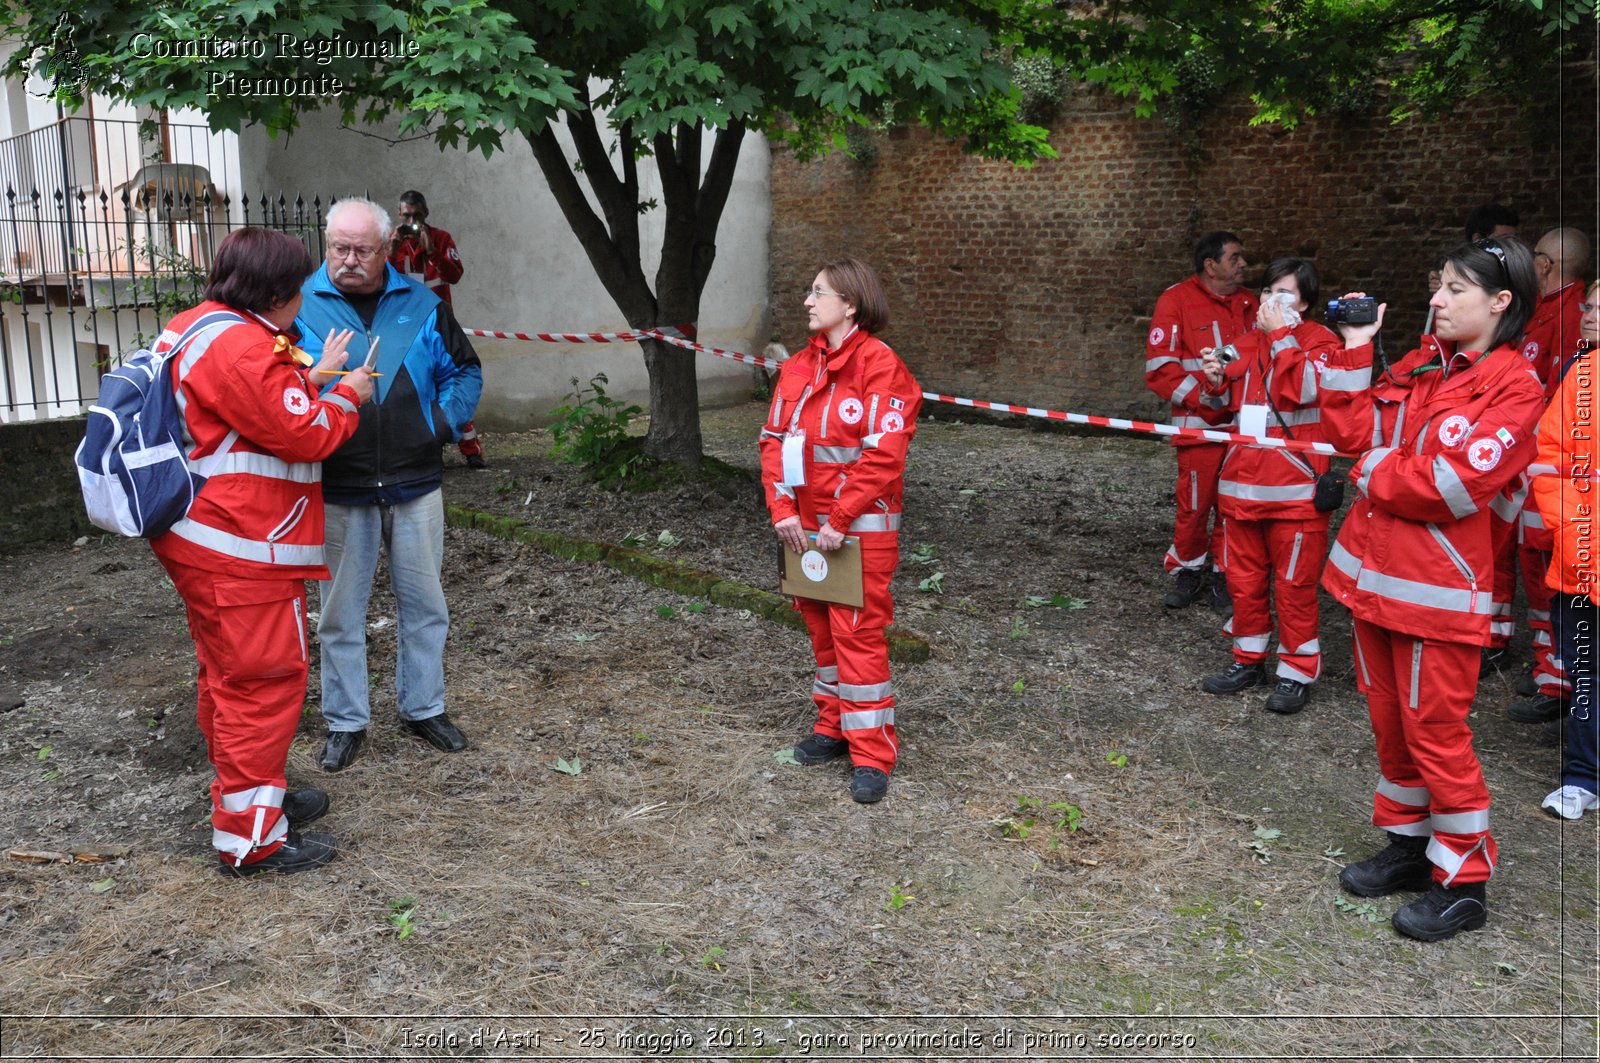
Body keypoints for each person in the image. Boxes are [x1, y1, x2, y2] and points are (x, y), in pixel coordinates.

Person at [1321, 238, 1545, 941]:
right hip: (1377, 584)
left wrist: (1371, 471)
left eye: (1453, 289)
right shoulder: (1424, 364)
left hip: (1439, 594)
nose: (1437, 300)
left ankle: (1465, 880)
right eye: (1438, 287)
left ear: (1500, 300)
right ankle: (1414, 849)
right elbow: (1350, 431)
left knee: (1437, 735)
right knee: (1393, 728)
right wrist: (1358, 346)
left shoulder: (1514, 386)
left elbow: (1451, 487)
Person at [151, 227, 373, 874]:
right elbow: (303, 430)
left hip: (204, 540)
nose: (302, 301)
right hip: (240, 547)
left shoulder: (201, 324)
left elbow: (254, 406)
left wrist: (314, 374)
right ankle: (250, 837)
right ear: (274, 291)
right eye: (298, 289)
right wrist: (347, 395)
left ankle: (254, 799)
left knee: (227, 675)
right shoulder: (245, 347)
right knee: (263, 681)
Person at [297, 197, 484, 773]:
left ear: (387, 249)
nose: (349, 260)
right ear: (325, 244)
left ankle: (423, 708)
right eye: (339, 248)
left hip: (416, 482)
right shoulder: (299, 305)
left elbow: (465, 370)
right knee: (338, 615)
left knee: (426, 605)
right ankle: (345, 720)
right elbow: (280, 388)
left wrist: (440, 426)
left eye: (363, 250)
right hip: (340, 483)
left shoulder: (421, 302)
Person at [760, 256, 921, 804]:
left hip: (857, 533)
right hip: (804, 532)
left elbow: (883, 456)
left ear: (849, 304)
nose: (807, 301)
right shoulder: (799, 366)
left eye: (817, 292)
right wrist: (782, 511)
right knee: (820, 630)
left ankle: (872, 754)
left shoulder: (881, 366)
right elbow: (774, 443)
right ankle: (833, 727)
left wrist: (839, 518)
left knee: (857, 636)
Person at [1197, 258, 1344, 714]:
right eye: (1267, 293)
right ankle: (1248, 659)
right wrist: (1213, 374)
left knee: (1295, 587)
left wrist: (1281, 335)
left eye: (1284, 294)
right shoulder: (1247, 341)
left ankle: (1296, 672)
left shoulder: (1323, 344)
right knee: (1244, 583)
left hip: (1296, 496)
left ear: (1305, 302)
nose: (1271, 303)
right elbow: (1212, 392)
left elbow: (1303, 390)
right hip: (1241, 491)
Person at [1502, 228, 1591, 723]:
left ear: (1548, 264)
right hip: (1536, 468)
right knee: (1537, 572)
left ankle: (1564, 683)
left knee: (1554, 575)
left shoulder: (1571, 317)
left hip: (1556, 475)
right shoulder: (1545, 310)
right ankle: (1552, 673)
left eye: (1534, 256)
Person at [1145, 231, 1257, 616]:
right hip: (1198, 425)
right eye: (1235, 257)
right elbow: (1161, 368)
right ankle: (1188, 571)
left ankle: (1226, 575)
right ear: (1211, 265)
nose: (1244, 264)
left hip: (1243, 425)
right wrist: (1207, 398)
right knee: (1194, 505)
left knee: (1234, 505)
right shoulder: (1175, 300)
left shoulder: (1249, 303)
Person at [1531, 280, 1600, 817]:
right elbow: (1550, 462)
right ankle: (1582, 777)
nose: (1593, 317)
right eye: (1591, 307)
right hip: (1579, 559)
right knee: (1585, 672)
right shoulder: (1581, 377)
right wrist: (1575, 532)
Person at [388, 190, 485, 469]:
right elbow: (379, 279)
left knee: (452, 383)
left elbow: (455, 274)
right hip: (404, 325)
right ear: (399, 215)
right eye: (406, 216)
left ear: (426, 213)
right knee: (416, 386)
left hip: (439, 323)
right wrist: (392, 252)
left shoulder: (441, 239)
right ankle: (430, 448)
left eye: (417, 215)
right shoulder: (391, 243)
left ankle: (471, 449)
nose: (412, 221)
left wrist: (432, 252)